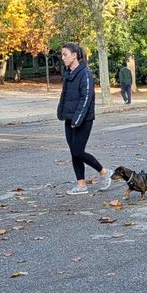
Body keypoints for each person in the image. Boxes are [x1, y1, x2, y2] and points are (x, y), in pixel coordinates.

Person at [56, 42, 109, 195]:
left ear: (74, 55)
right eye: (62, 54)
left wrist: (77, 120)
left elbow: (86, 99)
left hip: (83, 120)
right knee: (74, 152)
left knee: (78, 151)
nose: (62, 57)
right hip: (69, 118)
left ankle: (104, 172)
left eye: (65, 54)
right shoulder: (68, 74)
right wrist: (63, 114)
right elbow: (66, 97)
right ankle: (81, 185)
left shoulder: (85, 74)